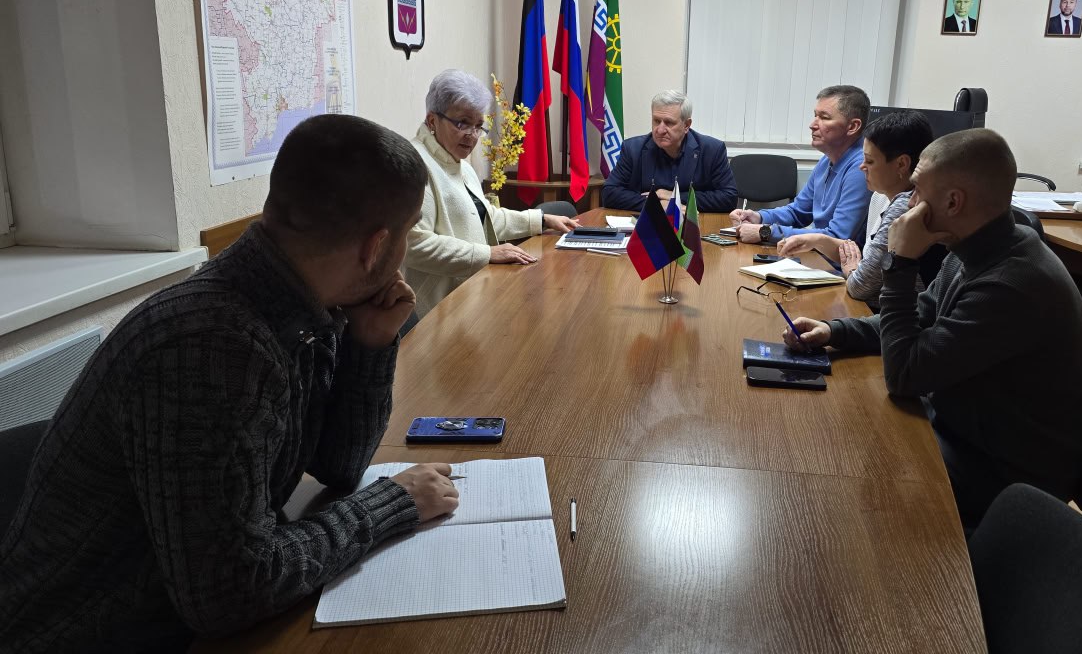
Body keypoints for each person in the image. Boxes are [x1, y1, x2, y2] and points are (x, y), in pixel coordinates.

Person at [0, 115, 461, 650]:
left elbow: (339, 466)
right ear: (376, 247)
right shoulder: (211, 347)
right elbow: (232, 591)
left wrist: (370, 345)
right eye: (408, 233)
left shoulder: (299, 303)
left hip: (168, 612)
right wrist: (393, 503)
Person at [782, 129, 1082, 528]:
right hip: (964, 427)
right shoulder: (975, 246)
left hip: (1004, 476)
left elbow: (905, 375)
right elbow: (921, 313)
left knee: (836, 486)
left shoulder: (1011, 282)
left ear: (952, 202)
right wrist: (835, 331)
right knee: (830, 435)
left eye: (916, 190)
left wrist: (900, 262)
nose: (909, 202)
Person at [405, 69, 579, 317]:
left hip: (470, 297)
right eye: (462, 123)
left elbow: (485, 218)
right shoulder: (414, 165)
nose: (472, 136)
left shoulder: (460, 164)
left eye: (478, 126)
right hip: (436, 312)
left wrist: (541, 220)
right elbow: (414, 244)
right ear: (432, 121)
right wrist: (487, 253)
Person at [776, 111, 936, 303]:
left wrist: (852, 270)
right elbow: (863, 256)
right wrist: (817, 240)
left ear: (901, 164)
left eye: (870, 161)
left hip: (887, 311)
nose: (862, 167)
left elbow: (861, 286)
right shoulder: (880, 196)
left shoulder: (904, 207)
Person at [730, 85, 871, 246]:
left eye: (824, 117)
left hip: (835, 260)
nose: (812, 124)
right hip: (816, 253)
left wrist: (766, 232)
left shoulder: (862, 167)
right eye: (815, 116)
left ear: (852, 127)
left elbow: (837, 236)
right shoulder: (826, 160)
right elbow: (798, 211)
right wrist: (759, 217)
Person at [601, 90, 738, 212]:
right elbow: (609, 193)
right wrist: (655, 204)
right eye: (656, 121)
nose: (660, 130)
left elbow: (729, 197)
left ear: (686, 125)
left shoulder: (712, 150)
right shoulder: (633, 149)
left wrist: (674, 198)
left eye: (669, 123)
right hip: (646, 223)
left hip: (694, 224)